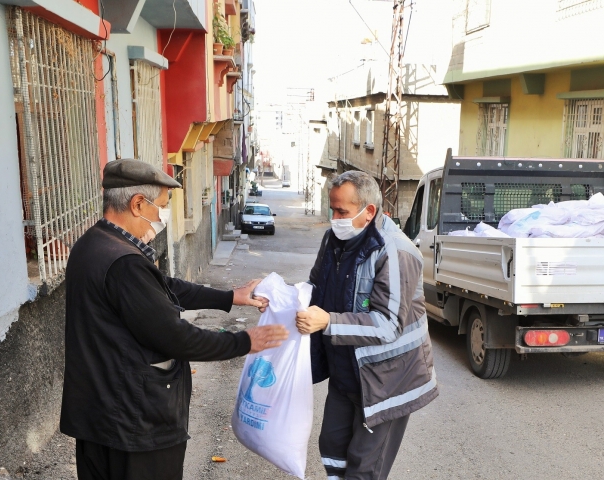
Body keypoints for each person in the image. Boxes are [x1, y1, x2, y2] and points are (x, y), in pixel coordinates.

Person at [60, 159, 289, 480]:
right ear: (137, 204)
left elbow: (162, 288)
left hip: (98, 415)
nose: (162, 217)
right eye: (161, 207)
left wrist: (229, 296)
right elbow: (176, 337)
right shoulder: (124, 263)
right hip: (134, 423)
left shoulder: (93, 245)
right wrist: (245, 341)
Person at [295, 171, 438, 480]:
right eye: (332, 209)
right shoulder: (335, 239)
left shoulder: (396, 251)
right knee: (332, 447)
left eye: (341, 211)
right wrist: (281, 297)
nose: (334, 218)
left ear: (369, 211)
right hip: (346, 373)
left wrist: (329, 322)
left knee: (364, 466)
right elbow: (315, 286)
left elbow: (388, 325)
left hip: (386, 381)